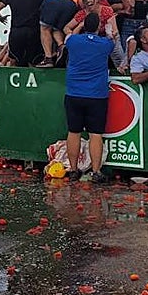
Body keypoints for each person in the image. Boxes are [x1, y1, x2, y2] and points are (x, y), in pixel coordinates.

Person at [62, 12, 112, 184]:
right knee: (96, 134)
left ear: (85, 24)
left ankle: (74, 169)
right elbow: (113, 38)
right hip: (97, 95)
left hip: (74, 93)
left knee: (74, 132)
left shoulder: (74, 41)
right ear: (99, 26)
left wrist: (79, 25)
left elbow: (69, 35)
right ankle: (96, 171)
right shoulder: (106, 44)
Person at [16, 0, 79, 67]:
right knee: (56, 28)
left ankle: (48, 59)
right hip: (72, 4)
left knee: (45, 28)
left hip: (54, 0)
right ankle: (61, 46)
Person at [0, 0, 43, 67]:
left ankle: (14, 80)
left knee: (14, 60)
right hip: (34, 31)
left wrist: (1, 18)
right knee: (34, 61)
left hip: (17, 32)